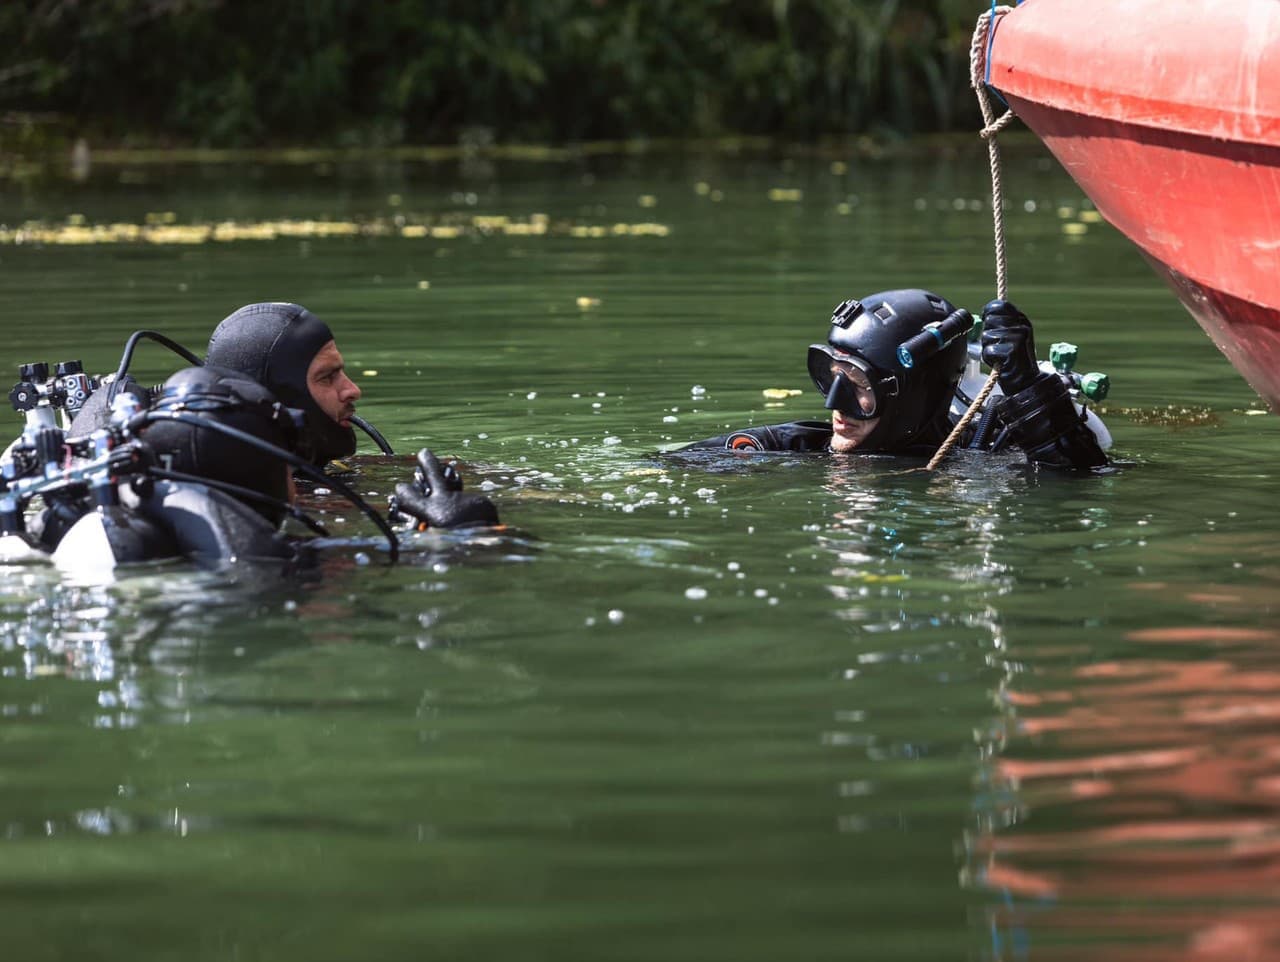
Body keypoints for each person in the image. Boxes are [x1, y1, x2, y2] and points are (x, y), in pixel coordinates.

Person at [677, 289, 1108, 469]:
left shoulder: (987, 447)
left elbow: (1080, 478)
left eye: (858, 385)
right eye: (831, 376)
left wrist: (1027, 386)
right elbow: (669, 464)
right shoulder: (797, 448)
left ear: (912, 396)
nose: (835, 406)